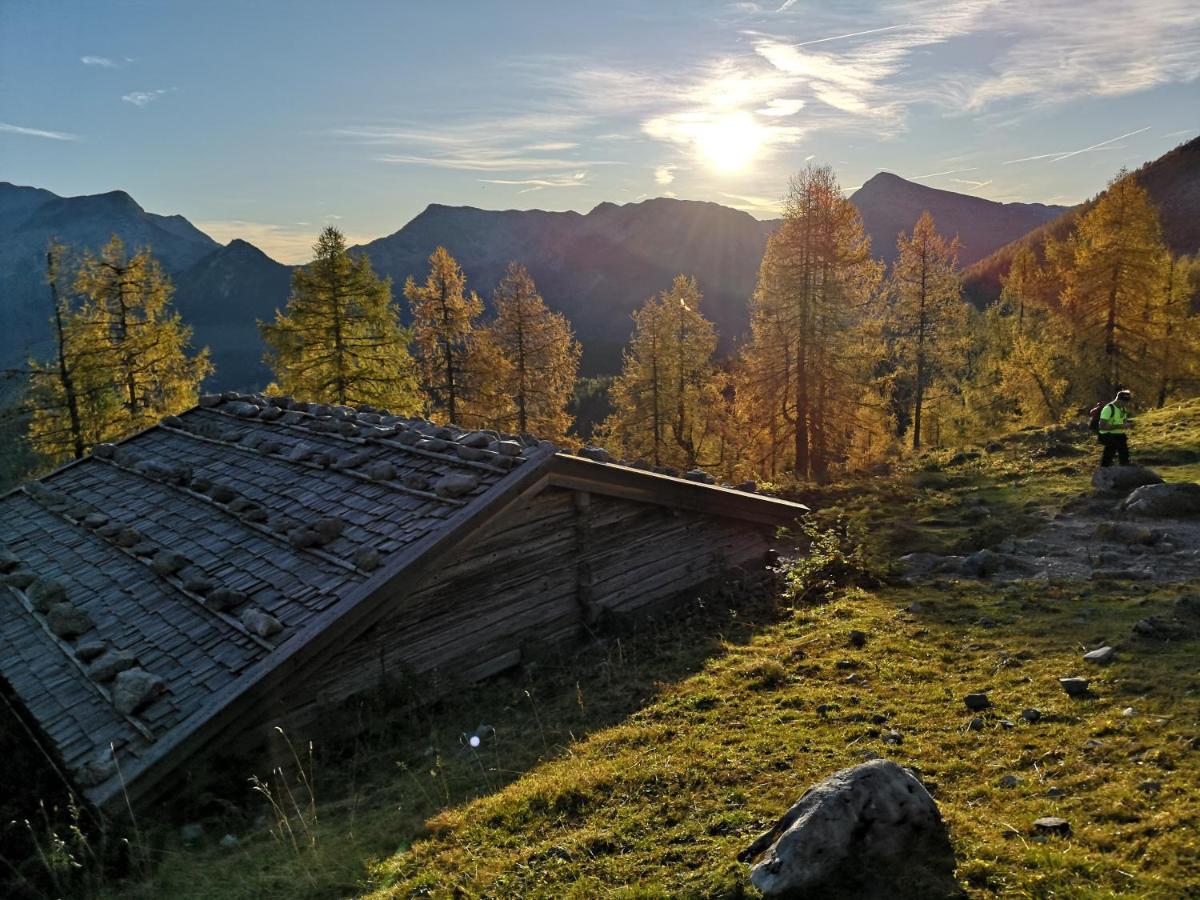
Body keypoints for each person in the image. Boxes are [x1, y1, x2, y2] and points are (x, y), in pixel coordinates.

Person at [1098, 389, 1133, 467]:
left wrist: (1128, 424)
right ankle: (1104, 467)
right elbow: (1102, 426)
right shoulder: (1108, 409)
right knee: (1112, 446)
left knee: (1124, 447)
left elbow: (1123, 421)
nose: (1126, 404)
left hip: (1118, 434)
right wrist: (1120, 426)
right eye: (1125, 402)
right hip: (1106, 434)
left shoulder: (1123, 409)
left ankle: (1124, 465)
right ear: (1119, 400)